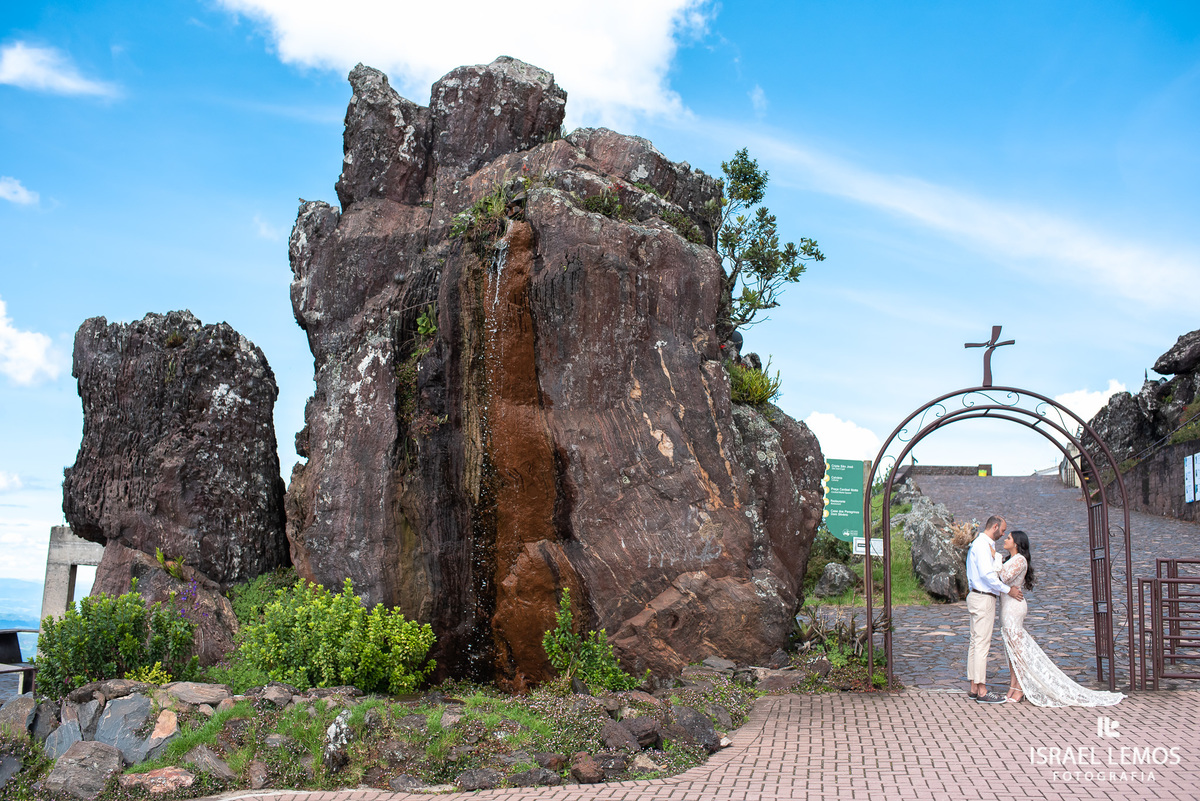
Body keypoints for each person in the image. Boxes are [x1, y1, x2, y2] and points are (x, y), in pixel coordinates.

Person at [998, 530, 1125, 706]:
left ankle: (1019, 687)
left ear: (1017, 543)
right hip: (1006, 605)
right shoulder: (1010, 560)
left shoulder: (1019, 560)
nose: (1005, 539)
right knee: (1011, 648)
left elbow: (1003, 577)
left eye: (1009, 538)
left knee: (1017, 649)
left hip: (1014, 607)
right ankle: (1014, 685)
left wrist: (995, 560)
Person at [966, 515, 1022, 703]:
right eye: (1003, 530)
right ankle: (982, 690)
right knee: (981, 644)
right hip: (983, 597)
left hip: (976, 595)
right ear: (995, 526)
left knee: (975, 642)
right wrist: (1008, 590)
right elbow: (988, 576)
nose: (1004, 534)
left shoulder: (979, 544)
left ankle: (974, 687)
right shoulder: (983, 545)